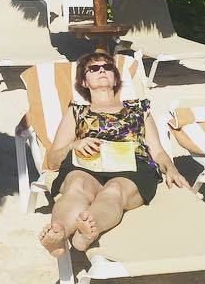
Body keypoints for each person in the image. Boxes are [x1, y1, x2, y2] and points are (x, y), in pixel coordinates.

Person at [38, 50, 190, 257]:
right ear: (84, 82)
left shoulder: (139, 109)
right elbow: (52, 161)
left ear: (116, 78)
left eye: (107, 67)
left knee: (114, 190)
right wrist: (73, 145)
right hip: (86, 165)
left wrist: (171, 168)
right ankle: (59, 233)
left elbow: (157, 151)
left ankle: (87, 231)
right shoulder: (76, 111)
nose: (102, 70)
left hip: (131, 168)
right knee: (77, 185)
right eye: (94, 68)